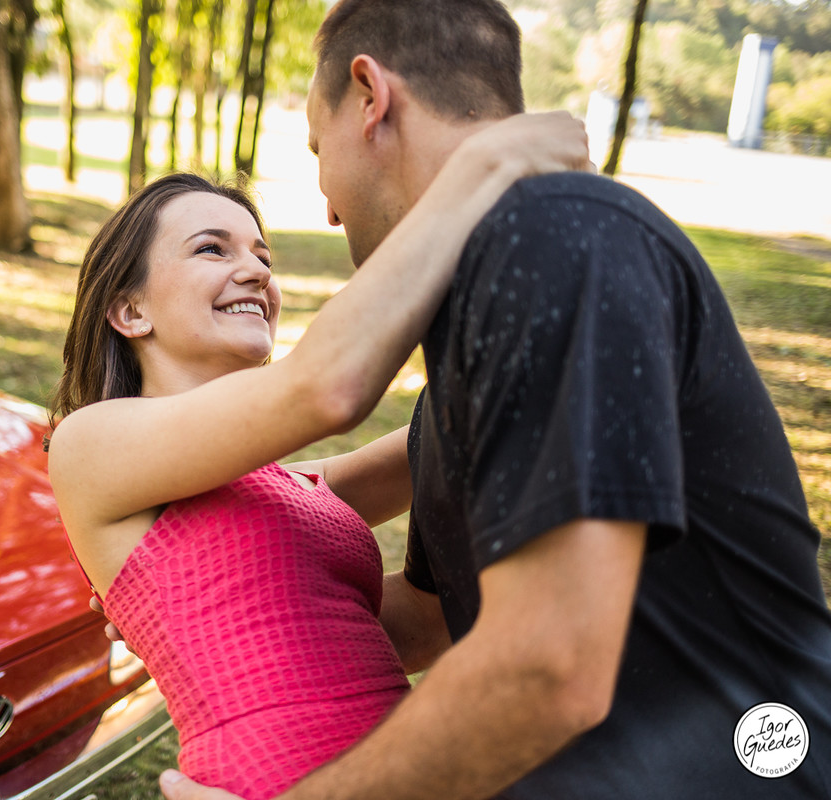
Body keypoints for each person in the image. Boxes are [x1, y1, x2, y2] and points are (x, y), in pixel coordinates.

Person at [158, 1, 831, 799]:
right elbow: (440, 620)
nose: (328, 204)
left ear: (371, 97)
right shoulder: (469, 334)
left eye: (317, 148)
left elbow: (547, 662)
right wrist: (195, 606)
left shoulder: (556, 237)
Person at [46, 113, 590, 800]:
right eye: (213, 250)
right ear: (130, 310)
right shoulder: (90, 445)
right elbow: (326, 386)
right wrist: (482, 168)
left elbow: (424, 603)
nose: (254, 270)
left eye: (262, 257)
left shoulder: (297, 489)